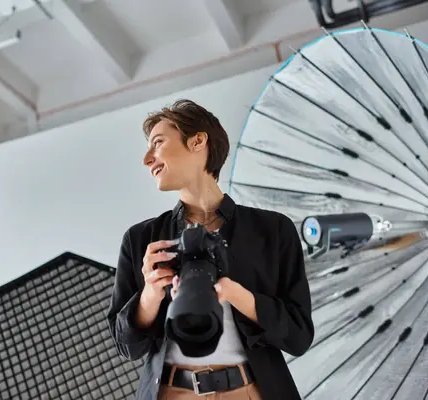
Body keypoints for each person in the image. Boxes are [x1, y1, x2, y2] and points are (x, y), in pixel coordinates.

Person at [106, 99, 314, 399]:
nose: (147, 159)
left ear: (198, 140)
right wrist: (151, 293)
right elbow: (127, 346)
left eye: (158, 143)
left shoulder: (273, 230)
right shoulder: (141, 239)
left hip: (251, 392)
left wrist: (236, 295)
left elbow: (298, 337)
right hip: (172, 393)